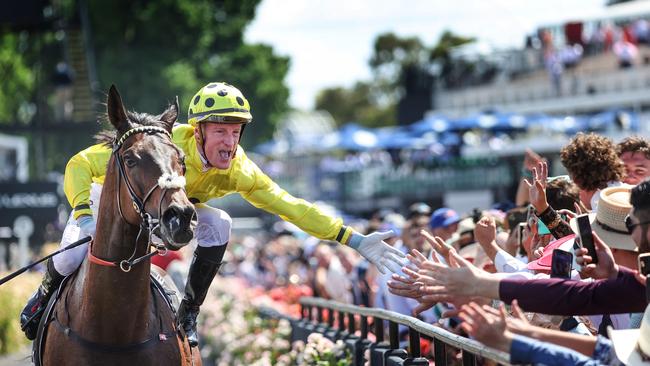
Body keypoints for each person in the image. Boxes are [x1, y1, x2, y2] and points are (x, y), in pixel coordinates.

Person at [20, 82, 406, 346]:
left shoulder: (242, 170)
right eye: (220, 131)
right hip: (112, 199)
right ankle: (43, 297)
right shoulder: (164, 146)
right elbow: (78, 164)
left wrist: (352, 238)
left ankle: (189, 311)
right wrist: (84, 213)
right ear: (199, 131)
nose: (230, 142)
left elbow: (293, 207)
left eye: (236, 131)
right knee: (72, 253)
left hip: (171, 209)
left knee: (221, 222)